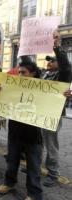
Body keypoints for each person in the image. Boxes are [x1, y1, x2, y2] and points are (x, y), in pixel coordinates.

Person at [0, 60, 43, 200]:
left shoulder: (43, 89)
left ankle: (34, 194)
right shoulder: (13, 86)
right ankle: (9, 183)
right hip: (15, 132)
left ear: (33, 74)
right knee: (12, 161)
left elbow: (65, 72)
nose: (20, 75)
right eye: (19, 72)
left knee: (33, 166)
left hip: (32, 135)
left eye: (24, 72)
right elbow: (3, 102)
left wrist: (62, 95)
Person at [40, 31, 72, 187]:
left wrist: (58, 48)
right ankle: (37, 166)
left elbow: (66, 67)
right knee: (38, 140)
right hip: (39, 113)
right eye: (48, 61)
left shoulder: (63, 75)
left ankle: (53, 173)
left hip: (53, 114)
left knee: (50, 143)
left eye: (52, 61)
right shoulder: (44, 75)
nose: (49, 63)